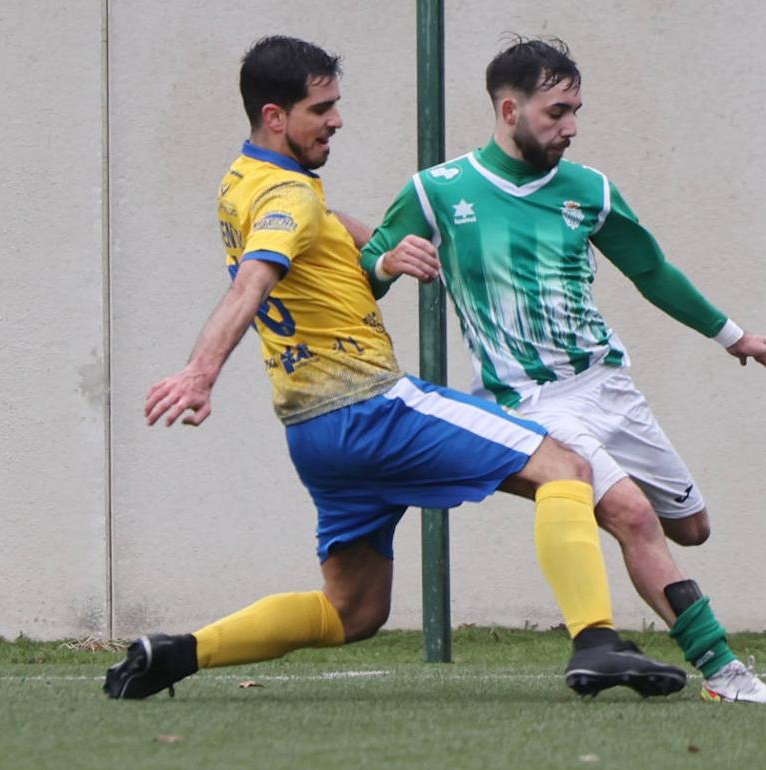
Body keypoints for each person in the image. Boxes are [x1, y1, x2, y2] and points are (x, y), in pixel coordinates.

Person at [104, 35, 687, 701]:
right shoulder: (289, 199)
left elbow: (315, 228)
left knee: (353, 611)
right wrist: (201, 371)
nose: (337, 119)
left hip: (313, 435)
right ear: (274, 116)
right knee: (566, 469)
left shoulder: (244, 184)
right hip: (372, 408)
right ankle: (596, 641)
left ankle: (178, 653)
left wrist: (378, 253)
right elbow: (253, 283)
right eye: (320, 108)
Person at [359, 37, 766, 704]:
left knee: (691, 527)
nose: (571, 128)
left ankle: (590, 513)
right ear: (509, 110)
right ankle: (725, 673)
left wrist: (734, 338)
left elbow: (651, 271)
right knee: (632, 517)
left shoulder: (589, 190)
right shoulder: (437, 191)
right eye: (557, 112)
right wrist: (384, 264)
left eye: (576, 112)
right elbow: (364, 273)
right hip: (531, 402)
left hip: (608, 388)